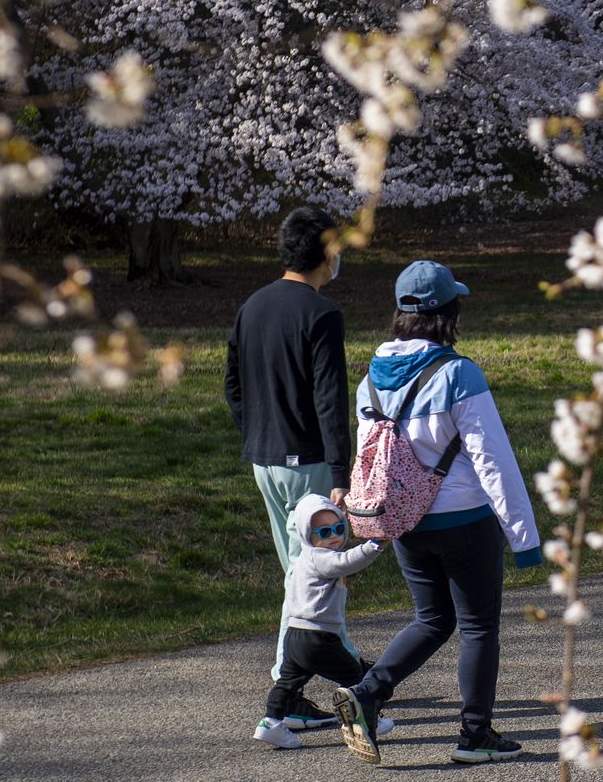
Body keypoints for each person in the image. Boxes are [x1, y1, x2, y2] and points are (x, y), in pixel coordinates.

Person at [332, 260, 542, 765]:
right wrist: (524, 537)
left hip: (404, 520)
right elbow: (494, 461)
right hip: (465, 520)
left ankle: (368, 691)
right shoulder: (458, 374)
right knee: (477, 625)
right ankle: (475, 735)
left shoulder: (371, 378)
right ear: (448, 312)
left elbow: (369, 455)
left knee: (432, 618)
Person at [225, 207, 359, 731]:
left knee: (301, 576)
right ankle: (288, 694)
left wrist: (256, 432)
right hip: (310, 465)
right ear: (326, 251)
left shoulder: (252, 306)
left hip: (265, 460)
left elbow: (232, 385)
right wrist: (342, 473)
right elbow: (330, 399)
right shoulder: (321, 313)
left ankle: (344, 676)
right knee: (318, 581)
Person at [251, 496, 398, 753]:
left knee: (288, 682)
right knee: (356, 676)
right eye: (324, 532)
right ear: (307, 535)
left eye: (339, 529)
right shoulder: (320, 557)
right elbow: (347, 562)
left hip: (296, 636)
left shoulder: (302, 561)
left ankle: (271, 722)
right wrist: (376, 544)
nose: (334, 537)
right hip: (317, 637)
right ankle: (365, 720)